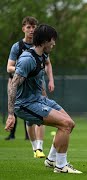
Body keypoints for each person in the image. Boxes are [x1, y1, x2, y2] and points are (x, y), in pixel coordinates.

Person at [4, 24, 82, 173]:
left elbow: (40, 78)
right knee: (65, 124)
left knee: (70, 124)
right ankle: (61, 166)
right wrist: (10, 114)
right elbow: (13, 86)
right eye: (52, 40)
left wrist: (45, 95)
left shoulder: (43, 55)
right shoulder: (27, 59)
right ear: (45, 40)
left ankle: (51, 159)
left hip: (39, 99)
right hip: (25, 104)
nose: (54, 43)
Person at [6, 16, 55, 159]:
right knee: (28, 118)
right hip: (20, 85)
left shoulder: (41, 45)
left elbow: (47, 63)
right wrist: (23, 69)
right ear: (23, 29)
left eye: (34, 27)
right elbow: (9, 67)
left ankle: (39, 147)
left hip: (39, 84)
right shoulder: (18, 47)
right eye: (29, 27)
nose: (32, 30)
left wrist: (51, 80)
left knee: (42, 112)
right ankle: (35, 147)